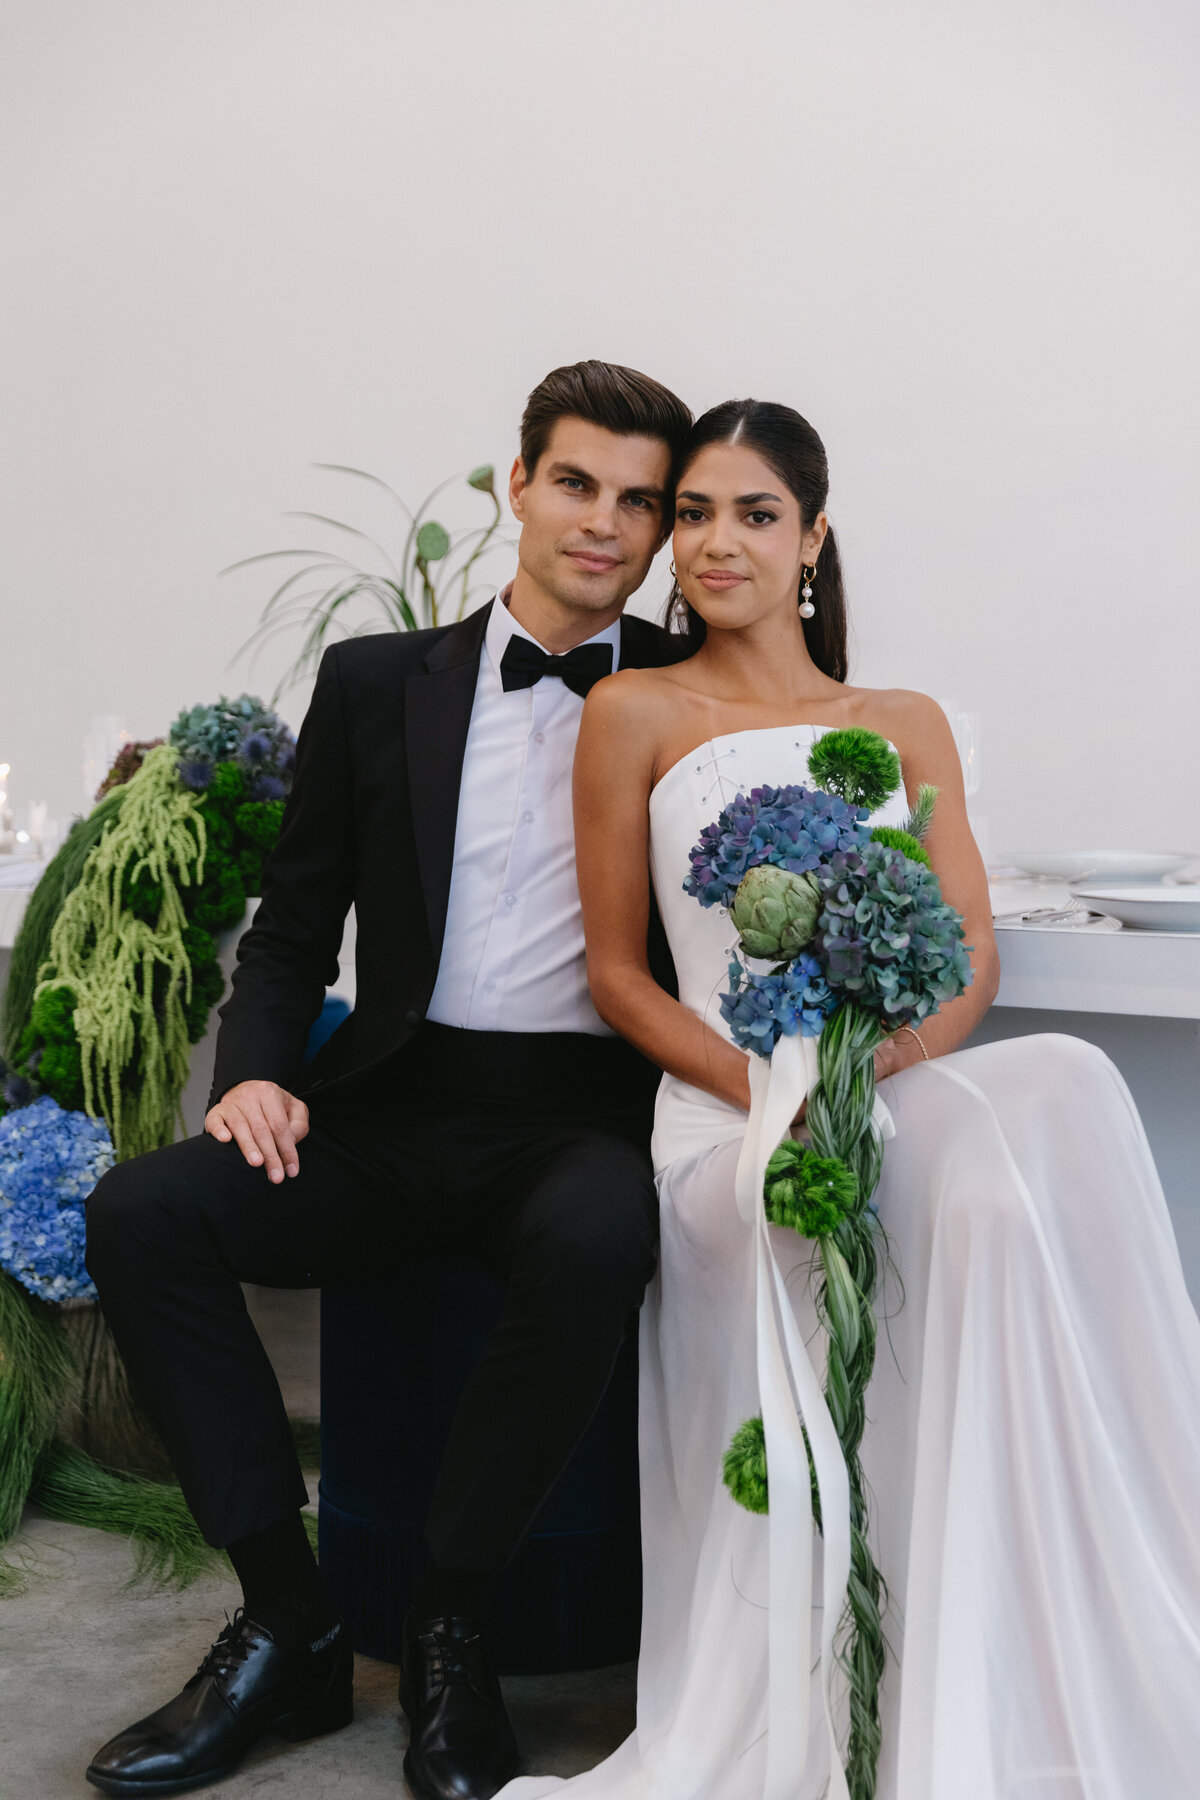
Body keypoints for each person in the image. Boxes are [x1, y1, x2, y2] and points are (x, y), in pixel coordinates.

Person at [497, 399, 1200, 1798]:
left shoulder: (903, 720)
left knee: (1053, 1092)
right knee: (981, 1171)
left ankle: (1002, 1636)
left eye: (752, 513)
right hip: (726, 1124)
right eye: (690, 512)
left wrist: (877, 1069)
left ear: (812, 538)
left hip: (883, 1094)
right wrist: (778, 1089)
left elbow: (972, 950)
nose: (712, 541)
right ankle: (861, 1673)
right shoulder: (632, 710)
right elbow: (625, 979)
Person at [81, 360, 695, 1800]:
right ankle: (289, 1625)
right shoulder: (374, 681)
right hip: (391, 1110)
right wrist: (254, 1078)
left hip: (579, 1124)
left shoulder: (689, 690)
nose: (605, 523)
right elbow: (296, 928)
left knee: (604, 1230)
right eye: (578, 484)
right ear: (521, 487)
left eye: (640, 503)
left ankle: (450, 1621)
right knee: (143, 1212)